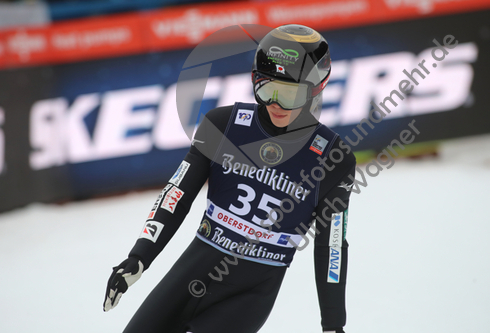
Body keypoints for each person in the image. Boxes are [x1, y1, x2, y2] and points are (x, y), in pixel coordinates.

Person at [104, 24, 356, 333]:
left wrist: (333, 324)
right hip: (188, 277)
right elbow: (176, 192)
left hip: (247, 298)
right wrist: (140, 255)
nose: (275, 103)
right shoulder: (223, 125)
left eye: (289, 94)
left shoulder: (334, 158)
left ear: (317, 87)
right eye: (266, 88)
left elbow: (331, 246)